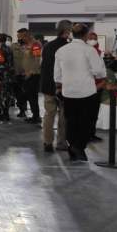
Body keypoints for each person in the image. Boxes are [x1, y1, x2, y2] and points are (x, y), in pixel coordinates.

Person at [54, 23, 106, 162]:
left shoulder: (61, 50)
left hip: (68, 91)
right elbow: (99, 71)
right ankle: (79, 147)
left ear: (72, 34)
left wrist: (61, 85)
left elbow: (57, 75)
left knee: (71, 121)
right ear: (86, 35)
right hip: (86, 91)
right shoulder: (89, 50)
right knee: (86, 121)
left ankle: (73, 147)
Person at [40, 20, 71, 153]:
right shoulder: (68, 47)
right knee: (63, 116)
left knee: (49, 114)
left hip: (48, 85)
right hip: (63, 86)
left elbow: (44, 66)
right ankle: (61, 142)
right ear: (67, 31)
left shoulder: (47, 46)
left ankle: (47, 142)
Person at [15, 28, 42, 123]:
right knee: (29, 95)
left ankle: (36, 117)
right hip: (27, 74)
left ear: (26, 36)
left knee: (32, 96)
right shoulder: (26, 45)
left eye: (20, 37)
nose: (19, 39)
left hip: (33, 74)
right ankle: (35, 115)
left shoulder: (35, 44)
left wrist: (31, 72)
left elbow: (37, 59)